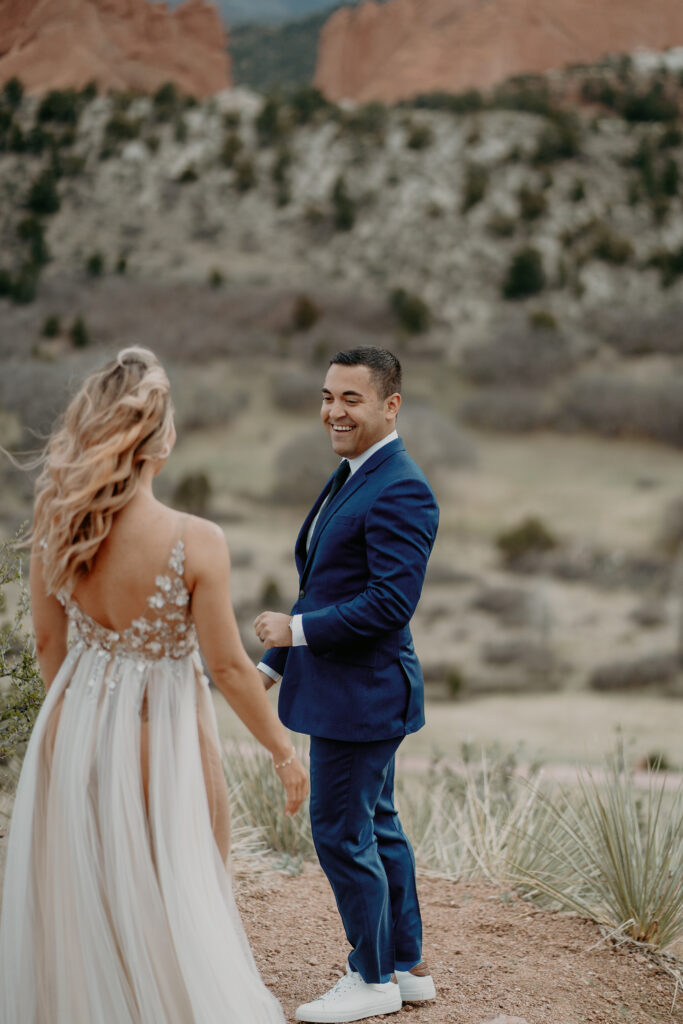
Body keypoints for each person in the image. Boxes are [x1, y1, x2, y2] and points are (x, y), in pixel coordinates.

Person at [0, 346, 308, 1024]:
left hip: (74, 718)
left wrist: (83, 711)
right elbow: (227, 668)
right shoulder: (195, 539)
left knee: (94, 882)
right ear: (159, 439)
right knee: (185, 872)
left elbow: (49, 642)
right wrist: (284, 752)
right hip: (162, 727)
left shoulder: (57, 527)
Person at [254, 346, 439, 1024]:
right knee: (377, 823)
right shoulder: (355, 471)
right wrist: (275, 663)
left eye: (350, 399)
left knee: (339, 830)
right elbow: (326, 585)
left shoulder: (401, 486)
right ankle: (405, 966)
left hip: (362, 698)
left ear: (390, 405)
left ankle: (368, 978)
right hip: (348, 689)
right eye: (328, 395)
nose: (333, 409)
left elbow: (390, 604)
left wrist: (291, 634)